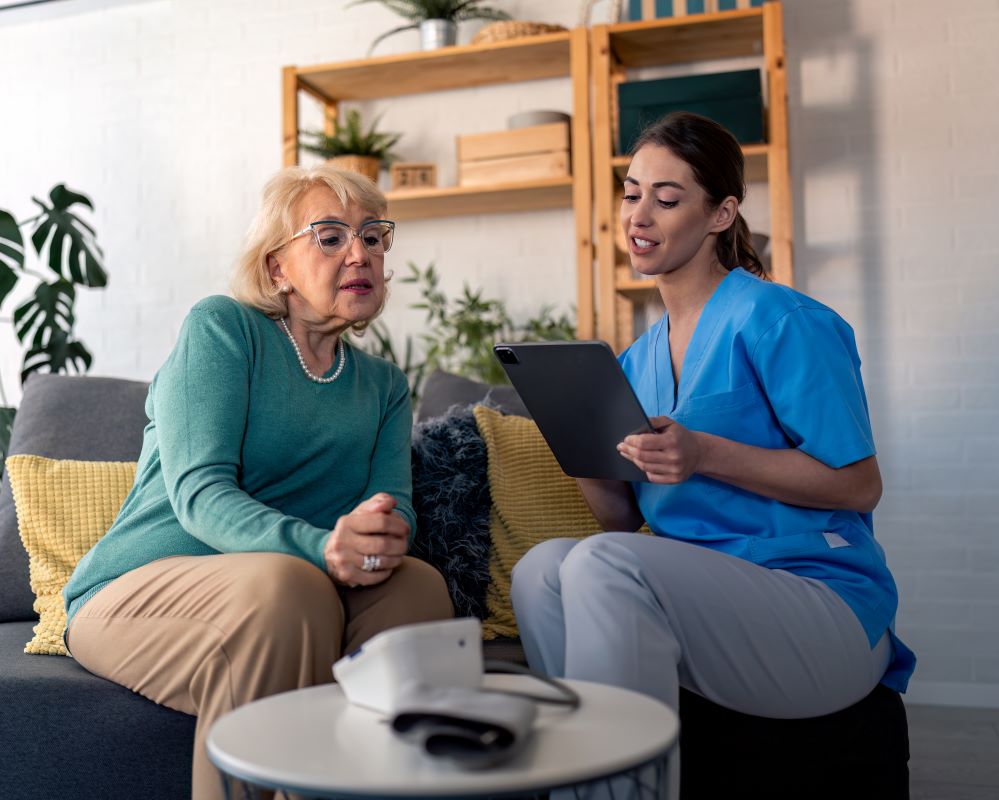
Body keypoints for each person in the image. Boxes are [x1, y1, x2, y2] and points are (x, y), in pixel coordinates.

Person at [510, 112, 916, 795]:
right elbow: (620, 520)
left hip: (821, 604)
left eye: (667, 199)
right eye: (631, 193)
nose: (639, 215)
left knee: (604, 563)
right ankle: (591, 784)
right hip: (705, 607)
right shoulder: (635, 362)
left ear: (721, 215)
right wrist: (578, 446)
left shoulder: (781, 320)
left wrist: (703, 453)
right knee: (542, 570)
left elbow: (858, 486)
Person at [62, 166, 453, 800]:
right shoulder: (224, 329)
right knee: (287, 586)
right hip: (141, 589)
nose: (360, 254)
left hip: (296, 584)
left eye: (373, 236)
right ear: (277, 269)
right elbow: (199, 495)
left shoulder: (383, 386)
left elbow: (396, 510)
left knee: (416, 586)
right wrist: (323, 547)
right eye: (330, 237)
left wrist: (378, 536)